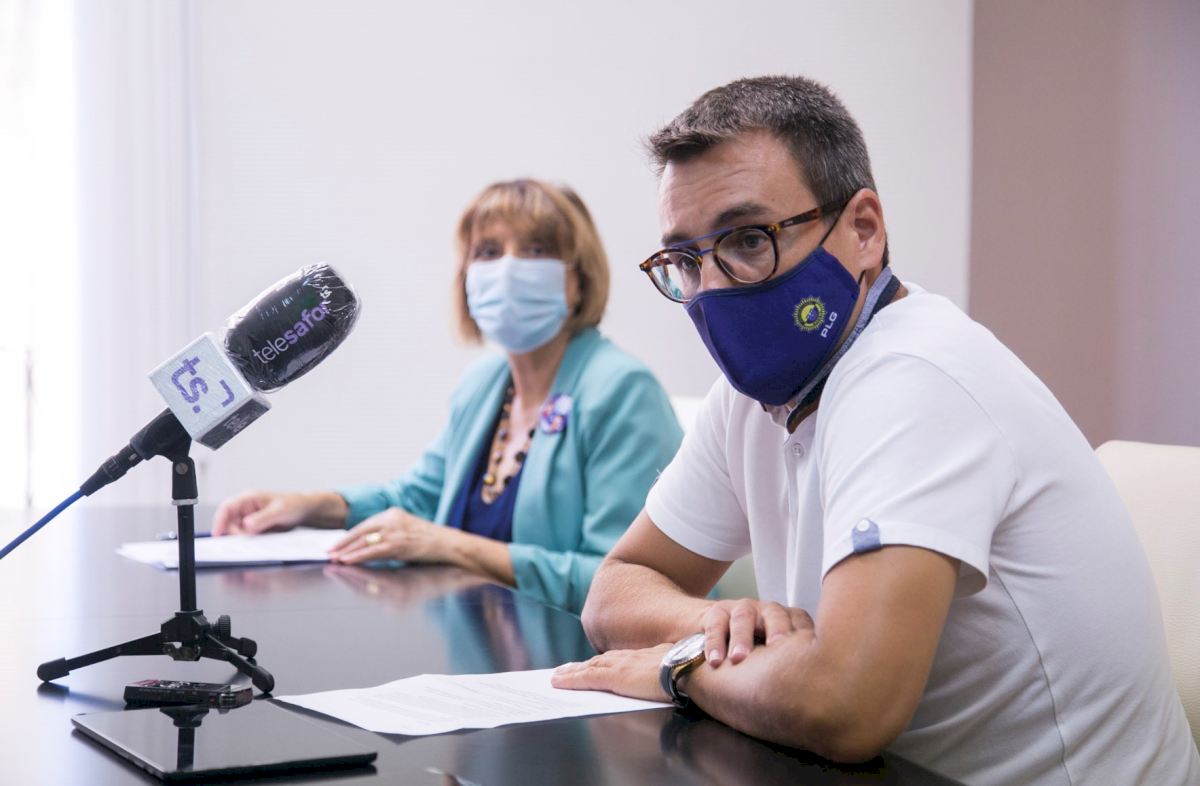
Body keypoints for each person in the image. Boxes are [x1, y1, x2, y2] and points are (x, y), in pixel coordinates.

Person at [551, 76, 1200, 784]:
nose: (713, 288)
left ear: (863, 229)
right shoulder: (753, 397)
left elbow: (847, 704)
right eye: (685, 260)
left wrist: (681, 668)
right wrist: (722, 630)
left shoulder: (914, 374)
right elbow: (616, 589)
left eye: (748, 240)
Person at [212, 179, 683, 614]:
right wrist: (308, 506)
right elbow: (416, 498)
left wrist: (450, 545)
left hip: (582, 655)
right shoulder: (485, 383)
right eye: (488, 251)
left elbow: (625, 587)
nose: (508, 269)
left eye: (537, 249)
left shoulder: (622, 390)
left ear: (579, 279)